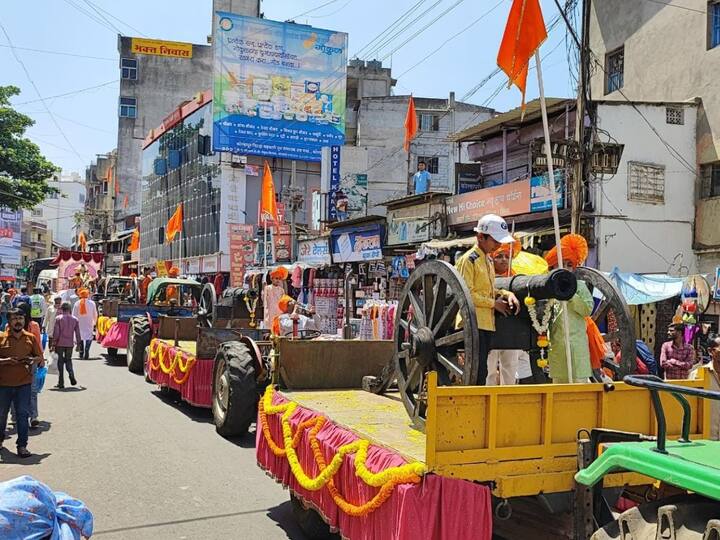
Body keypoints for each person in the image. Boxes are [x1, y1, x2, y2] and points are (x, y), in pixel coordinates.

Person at [455, 214, 520, 385]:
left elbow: (488, 290)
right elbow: (466, 293)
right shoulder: (469, 260)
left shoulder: (487, 259)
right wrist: (494, 304)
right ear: (480, 237)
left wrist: (506, 294)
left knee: (484, 371)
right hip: (473, 322)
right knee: (480, 372)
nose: (498, 245)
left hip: (486, 322)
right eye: (495, 241)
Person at [544, 233, 594, 383]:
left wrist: (570, 294)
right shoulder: (547, 289)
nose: (565, 268)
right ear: (552, 267)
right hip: (557, 348)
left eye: (569, 264)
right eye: (560, 264)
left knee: (580, 386)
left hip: (577, 347)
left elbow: (587, 310)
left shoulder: (579, 285)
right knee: (559, 388)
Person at [0, 309, 43, 457]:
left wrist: (32, 360)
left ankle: (22, 446)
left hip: (24, 384)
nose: (18, 321)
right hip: (3, 385)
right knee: (1, 415)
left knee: (22, 416)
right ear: (9, 321)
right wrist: (5, 361)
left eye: (20, 318)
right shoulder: (1, 338)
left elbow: (39, 358)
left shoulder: (30, 338)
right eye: (14, 319)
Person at [486, 236, 524, 385]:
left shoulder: (516, 278)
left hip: (510, 328)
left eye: (507, 256)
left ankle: (507, 400)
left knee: (510, 367)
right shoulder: (486, 275)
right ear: (492, 258)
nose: (503, 260)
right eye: (499, 256)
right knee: (488, 368)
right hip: (488, 326)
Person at [51, 302, 81, 389]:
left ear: (62, 309)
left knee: (60, 362)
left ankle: (61, 382)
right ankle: (71, 373)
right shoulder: (75, 319)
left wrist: (53, 343)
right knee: (68, 360)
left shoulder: (58, 318)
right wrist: (78, 343)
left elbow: (56, 332)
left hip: (60, 344)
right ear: (69, 309)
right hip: (69, 344)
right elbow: (78, 333)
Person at [71, 288, 97, 360]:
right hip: (89, 323)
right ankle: (87, 350)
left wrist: (74, 323)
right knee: (89, 336)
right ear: (87, 295)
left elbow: (73, 314)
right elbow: (95, 314)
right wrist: (94, 322)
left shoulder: (77, 303)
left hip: (79, 323)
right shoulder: (92, 303)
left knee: (80, 337)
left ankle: (81, 352)